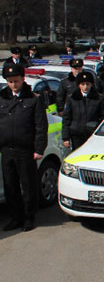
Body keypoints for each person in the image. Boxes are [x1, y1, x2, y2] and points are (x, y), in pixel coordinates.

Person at [0, 63, 47, 232]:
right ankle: (15, 217)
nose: (13, 84)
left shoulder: (33, 99)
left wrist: (39, 149)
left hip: (25, 150)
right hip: (6, 149)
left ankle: (29, 217)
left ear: (22, 79)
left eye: (16, 81)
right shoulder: (2, 98)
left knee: (28, 186)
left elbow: (40, 125)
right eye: (10, 81)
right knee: (10, 186)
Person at [62, 72, 104, 151]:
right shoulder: (72, 98)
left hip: (92, 135)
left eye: (87, 84)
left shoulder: (98, 98)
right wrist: (65, 137)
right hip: (77, 135)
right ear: (79, 85)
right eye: (82, 84)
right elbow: (66, 119)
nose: (85, 87)